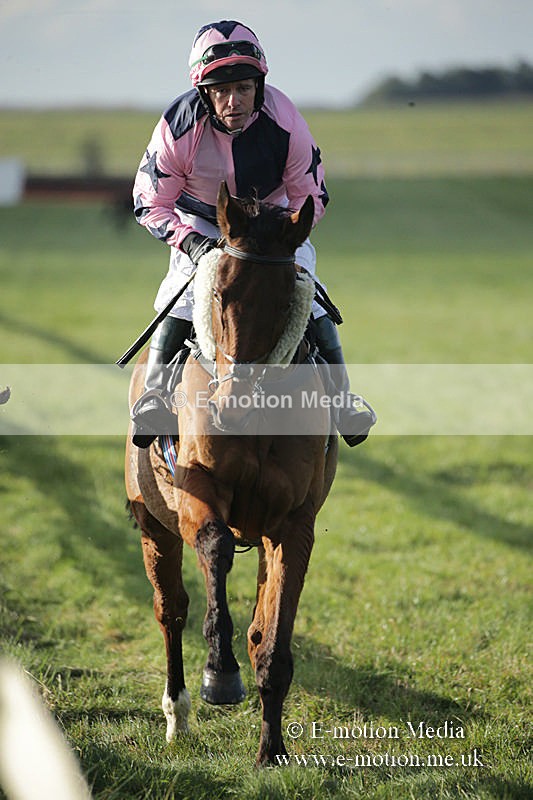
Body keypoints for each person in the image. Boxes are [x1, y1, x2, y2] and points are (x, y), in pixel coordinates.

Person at [131, 19, 376, 447]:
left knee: (307, 290)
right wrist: (192, 242)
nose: (234, 101)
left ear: (259, 86)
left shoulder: (286, 119)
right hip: (204, 223)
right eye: (222, 91)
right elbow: (149, 201)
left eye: (244, 88)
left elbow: (311, 194)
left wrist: (286, 236)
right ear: (204, 94)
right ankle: (153, 395)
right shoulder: (177, 126)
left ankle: (342, 400)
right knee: (185, 289)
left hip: (274, 223)